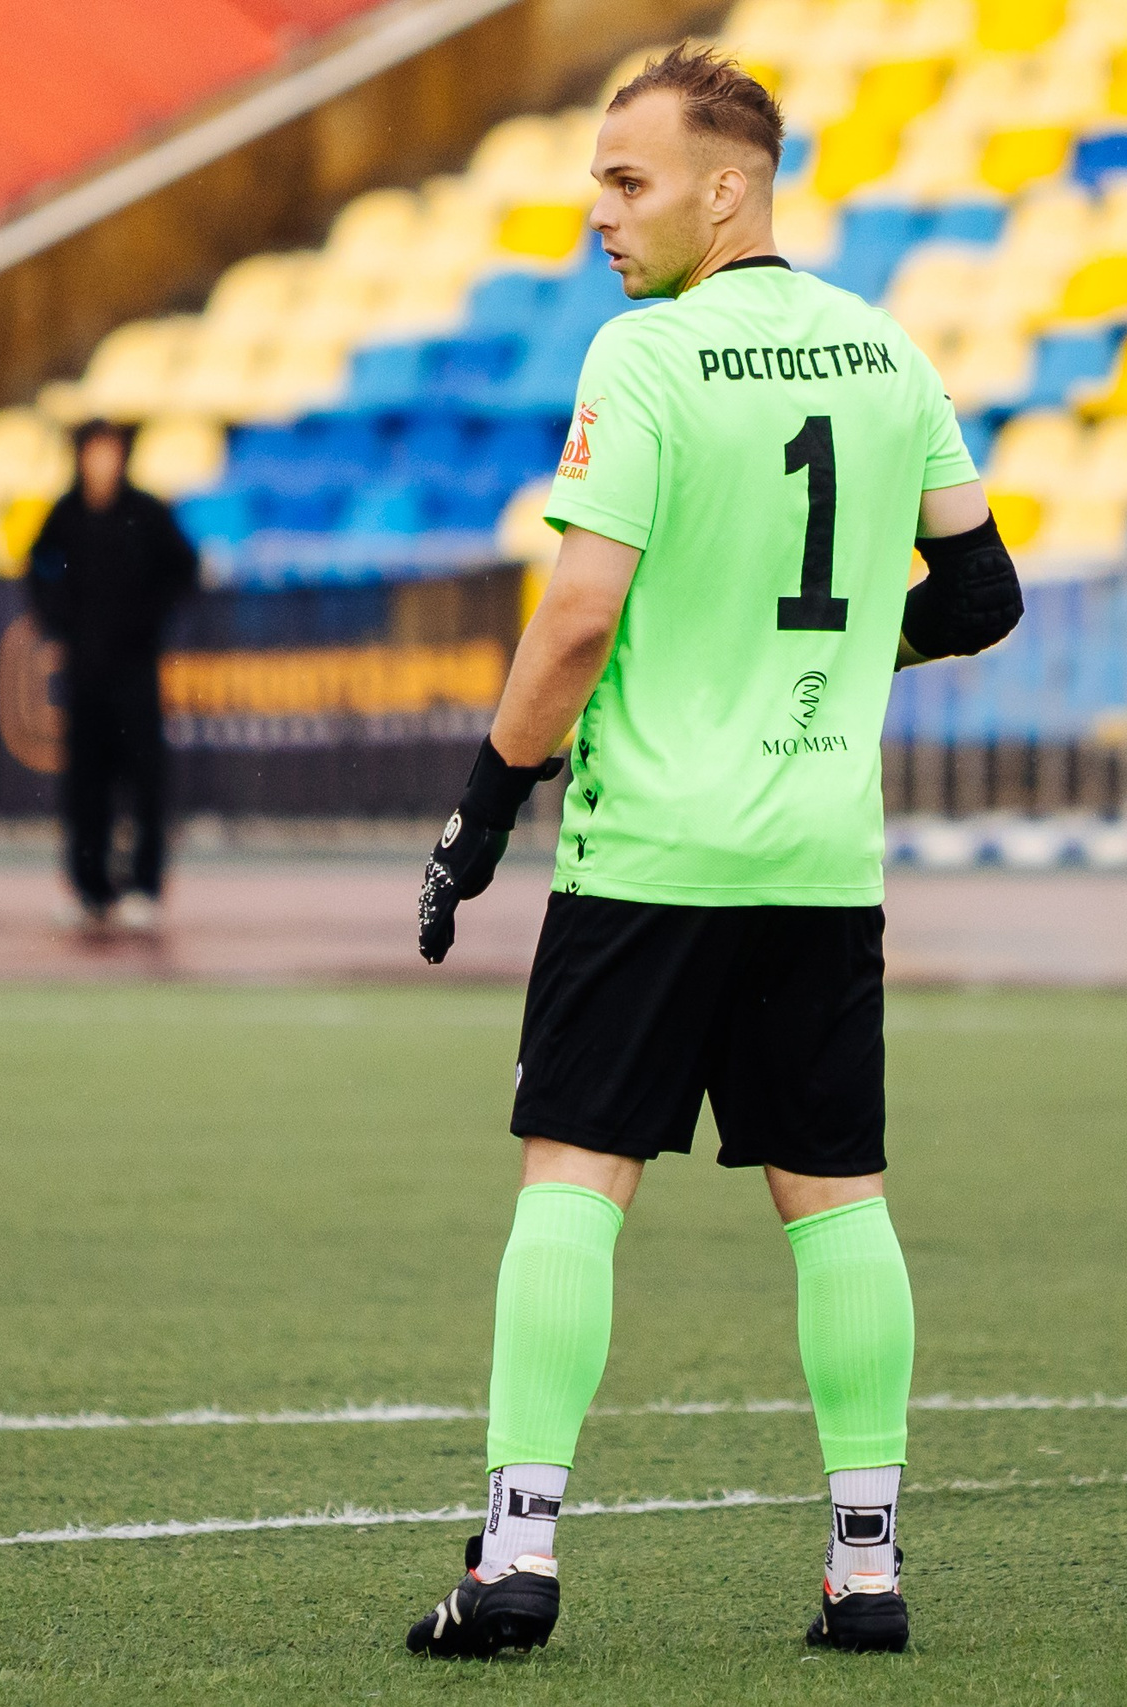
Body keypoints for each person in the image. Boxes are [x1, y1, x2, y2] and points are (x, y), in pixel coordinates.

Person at [405, 47, 1020, 1662]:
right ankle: (867, 1567)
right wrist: (816, 664)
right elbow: (979, 598)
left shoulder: (648, 355)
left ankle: (518, 1554)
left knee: (574, 1177)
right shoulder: (888, 349)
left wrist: (479, 812)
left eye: (628, 179)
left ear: (724, 185)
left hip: (653, 848)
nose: (599, 210)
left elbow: (580, 617)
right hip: (820, 854)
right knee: (836, 1204)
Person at [24, 419, 199, 933]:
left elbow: (184, 569)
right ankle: (88, 888)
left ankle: (145, 886)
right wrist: (58, 622)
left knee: (145, 782)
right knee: (85, 786)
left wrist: (150, 620)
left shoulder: (146, 513)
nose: (102, 463)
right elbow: (35, 565)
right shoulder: (66, 513)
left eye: (110, 453)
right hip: (84, 676)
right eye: (94, 453)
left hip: (135, 674)